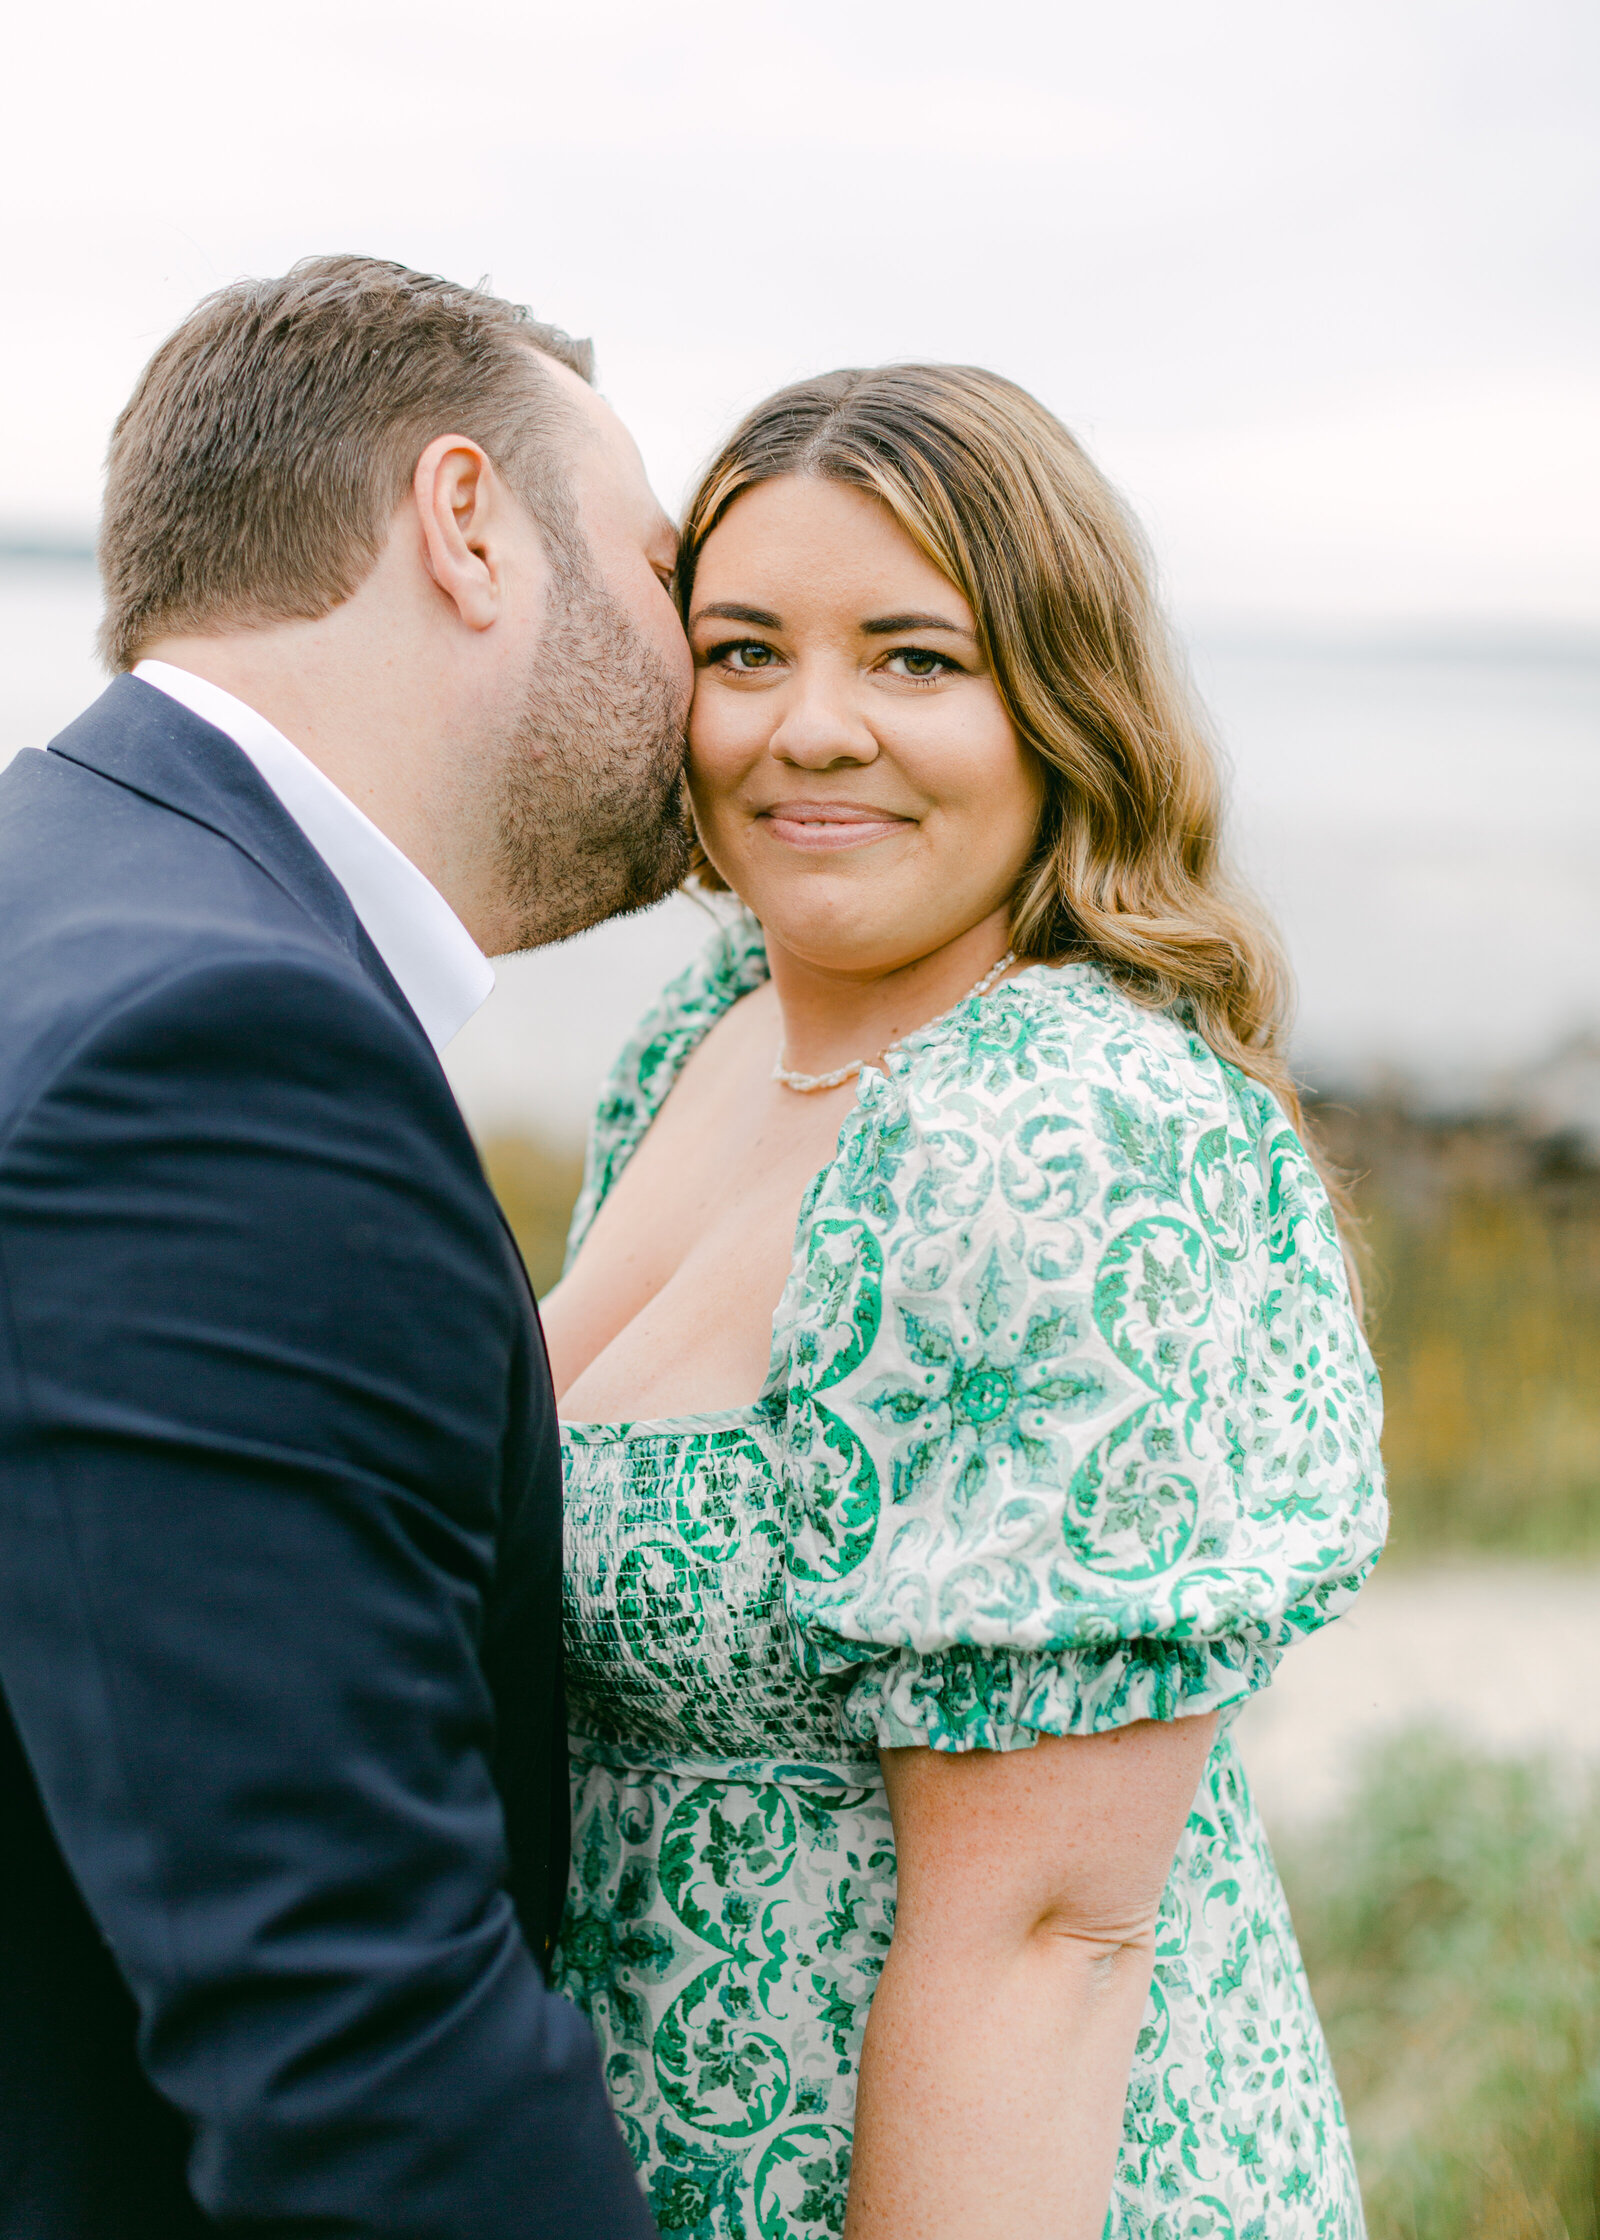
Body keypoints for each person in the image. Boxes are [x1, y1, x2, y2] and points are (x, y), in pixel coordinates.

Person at [541, 364, 1388, 2239]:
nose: (811, 729)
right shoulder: (707, 1033)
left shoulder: (1057, 1133)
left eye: (915, 660)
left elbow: (1046, 1943)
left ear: (1059, 705)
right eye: (745, 651)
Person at [0, 256, 682, 2237]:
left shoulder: (59, 885)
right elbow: (357, 2047)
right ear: (466, 523)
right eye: (656, 570)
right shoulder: (220, 1052)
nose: (701, 666)